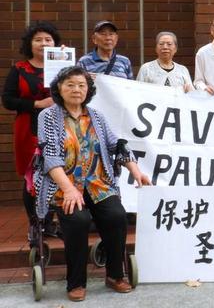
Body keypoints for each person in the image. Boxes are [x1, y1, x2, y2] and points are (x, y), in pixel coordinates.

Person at [34, 66, 151, 302]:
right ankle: (76, 282)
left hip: (97, 183)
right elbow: (51, 158)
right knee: (78, 221)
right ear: (59, 88)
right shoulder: (47, 116)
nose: (76, 90)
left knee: (117, 216)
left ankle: (115, 275)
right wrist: (68, 188)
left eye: (81, 85)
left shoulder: (96, 116)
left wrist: (136, 171)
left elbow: (115, 145)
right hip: (63, 186)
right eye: (70, 85)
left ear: (88, 89)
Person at [2, 21, 61, 226]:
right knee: (32, 176)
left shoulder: (63, 66)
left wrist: (66, 61)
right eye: (38, 40)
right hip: (28, 128)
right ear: (30, 44)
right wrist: (37, 103)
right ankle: (36, 223)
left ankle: (52, 220)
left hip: (59, 127)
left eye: (48, 39)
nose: (43, 43)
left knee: (58, 171)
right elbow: (8, 100)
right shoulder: (19, 69)